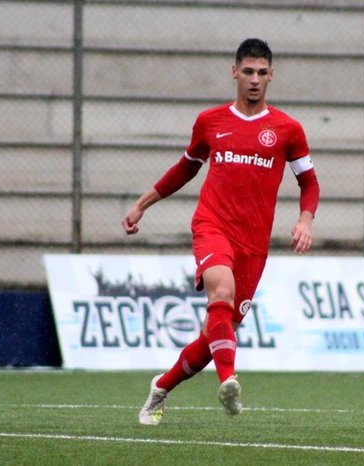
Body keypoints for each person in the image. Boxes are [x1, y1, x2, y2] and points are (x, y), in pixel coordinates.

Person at [122, 38, 320, 425]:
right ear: (234, 72)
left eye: (262, 72)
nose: (254, 79)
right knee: (222, 293)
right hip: (212, 225)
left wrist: (305, 219)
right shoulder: (210, 121)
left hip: (254, 243)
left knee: (217, 334)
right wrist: (141, 204)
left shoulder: (287, 130)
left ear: (271, 76)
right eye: (247, 71)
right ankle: (229, 382)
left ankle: (160, 388)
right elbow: (185, 167)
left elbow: (309, 183)